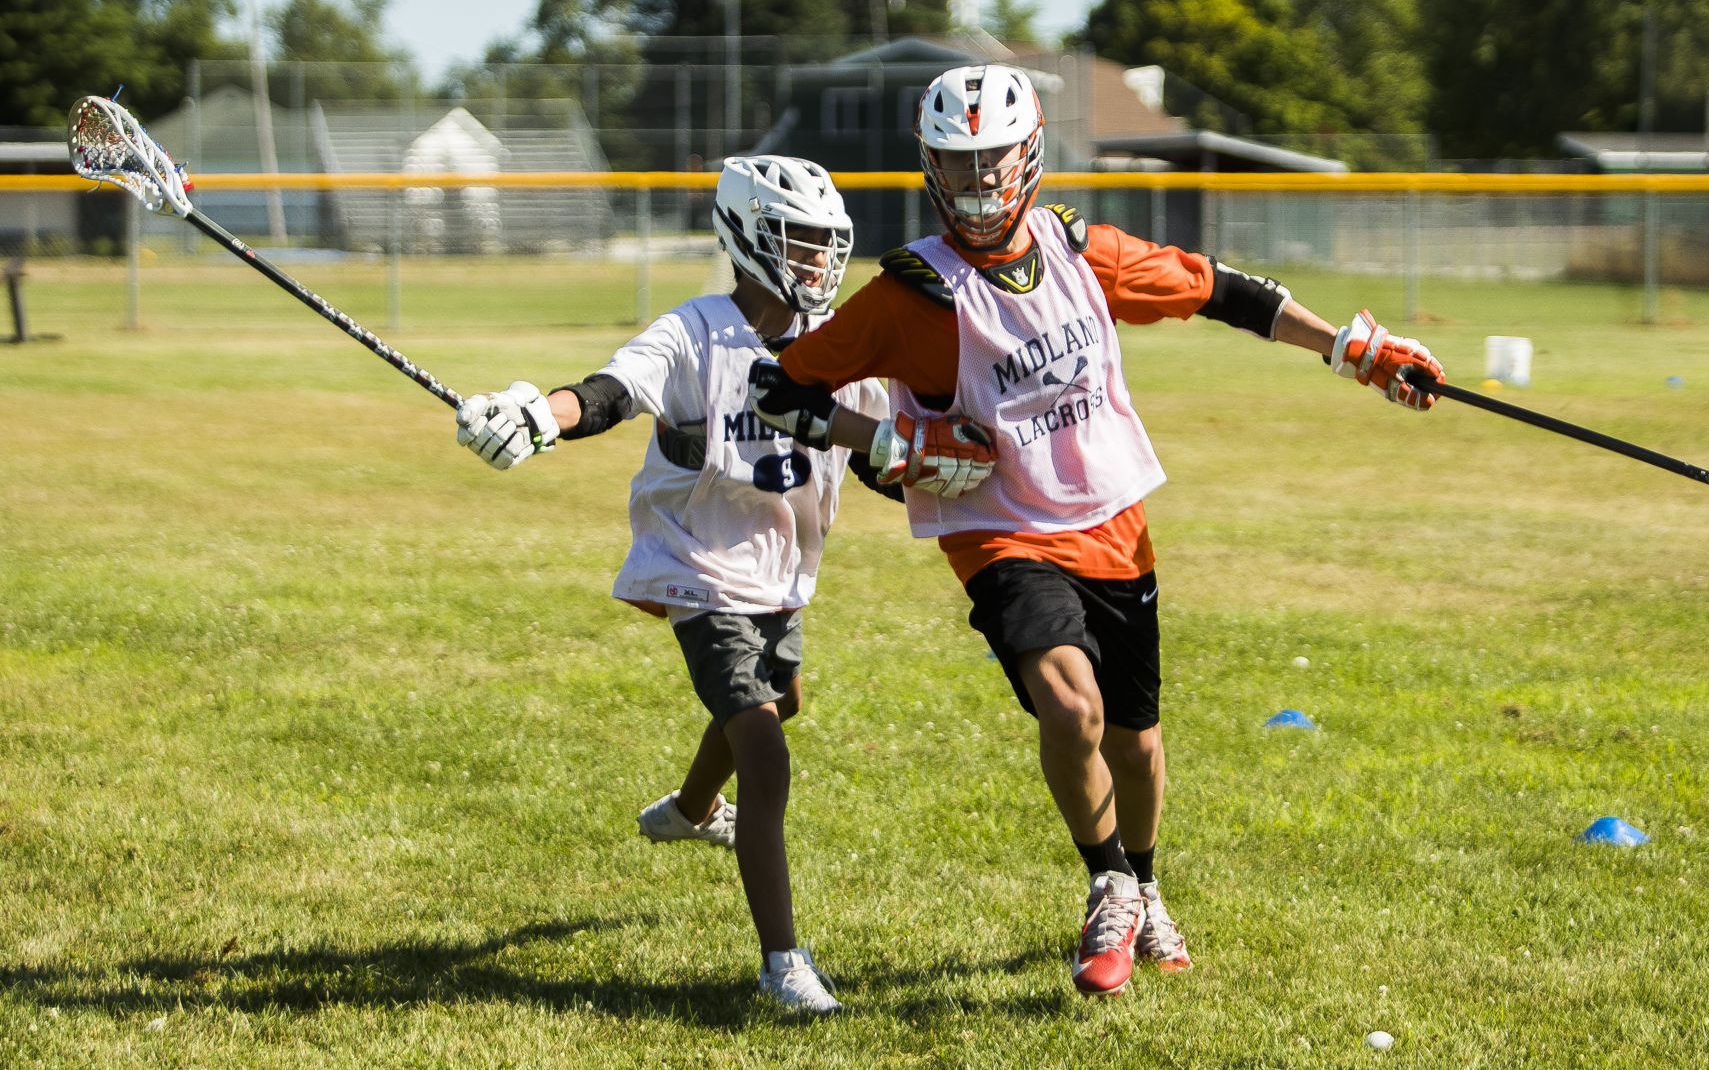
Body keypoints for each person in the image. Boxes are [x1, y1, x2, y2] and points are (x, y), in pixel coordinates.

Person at [746, 64, 1445, 998]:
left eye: (995, 163)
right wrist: (886, 441)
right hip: (1001, 535)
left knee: (1139, 743)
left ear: (1029, 157)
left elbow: (1221, 290)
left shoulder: (1083, 252)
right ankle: (1108, 880)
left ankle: (1145, 883)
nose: (978, 185)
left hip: (1114, 525)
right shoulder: (908, 293)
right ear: (929, 168)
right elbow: (778, 389)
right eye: (957, 167)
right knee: (1070, 708)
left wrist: (1356, 351)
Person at [452, 154, 984, 1015]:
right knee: (764, 750)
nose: (816, 261)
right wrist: (533, 416)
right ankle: (783, 961)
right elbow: (607, 394)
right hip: (698, 566)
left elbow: (878, 454)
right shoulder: (695, 332)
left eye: (825, 243)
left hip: (780, 570)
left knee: (784, 701)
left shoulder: (836, 341)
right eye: (798, 241)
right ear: (746, 237)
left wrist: (940, 467)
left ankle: (693, 806)